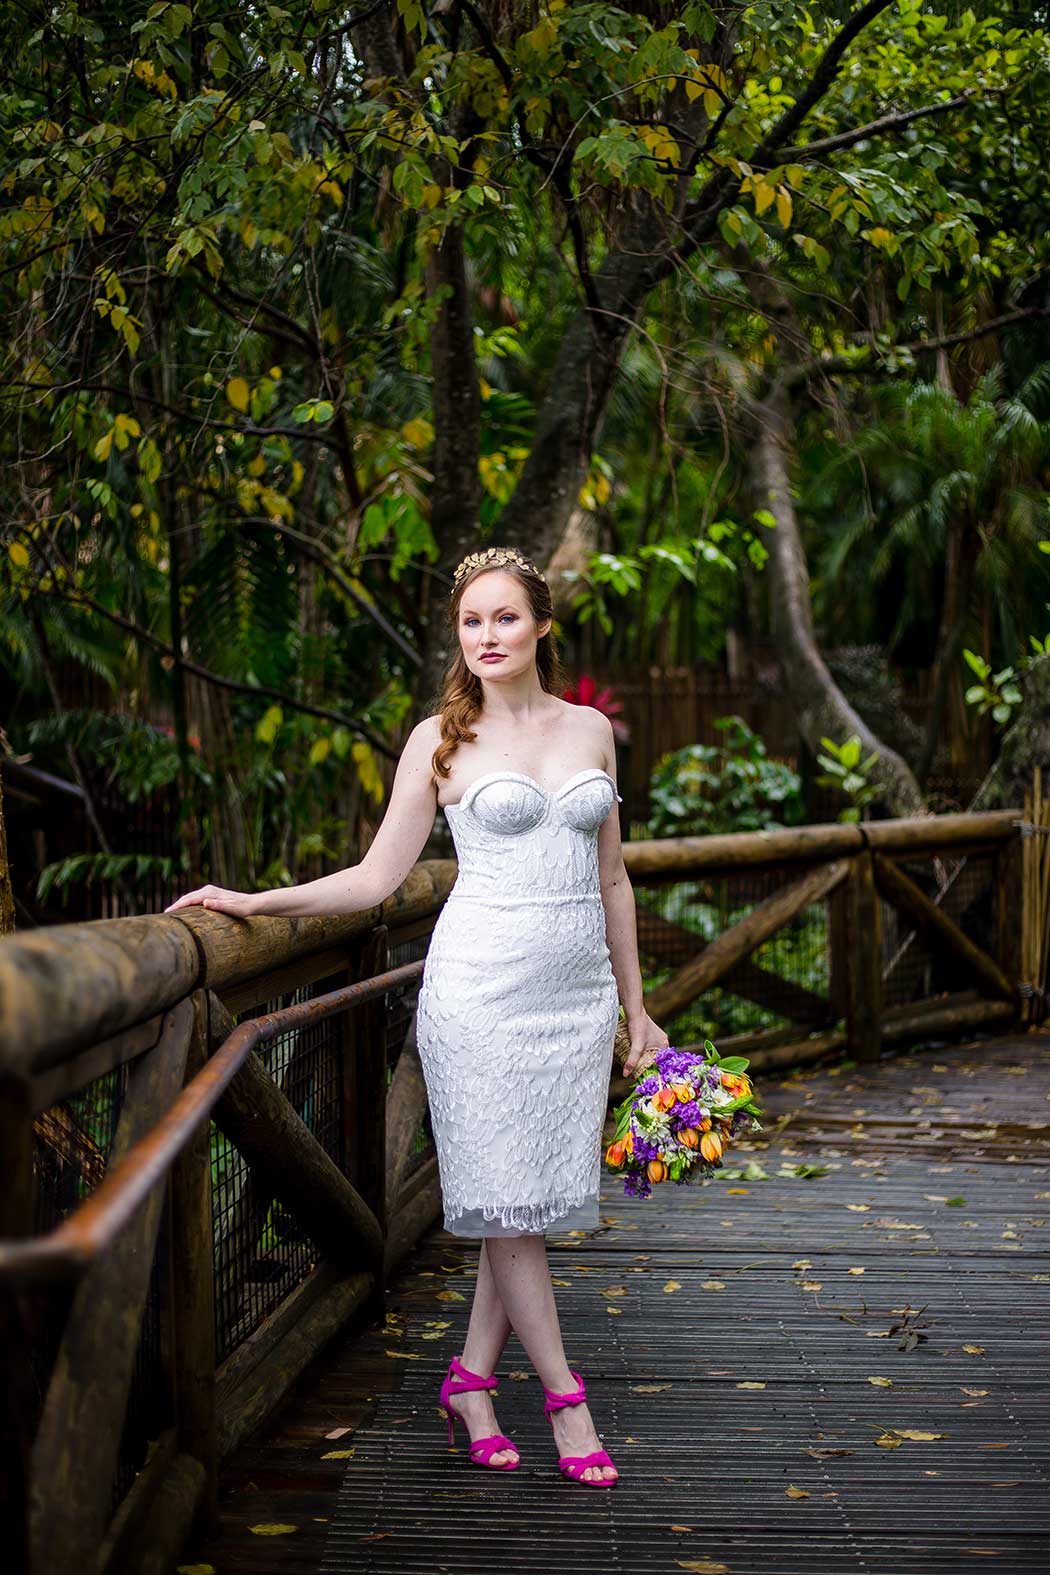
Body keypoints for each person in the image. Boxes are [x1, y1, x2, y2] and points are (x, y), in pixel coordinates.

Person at [166, 543, 668, 1486]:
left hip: (573, 1001)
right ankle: (568, 1400)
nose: (487, 636)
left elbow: (612, 877)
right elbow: (375, 877)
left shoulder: (591, 731)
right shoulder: (439, 738)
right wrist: (252, 901)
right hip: (478, 994)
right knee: (510, 1205)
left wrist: (637, 1011)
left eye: (505, 617)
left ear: (542, 624)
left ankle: (470, 1381)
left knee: (511, 1204)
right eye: (471, 621)